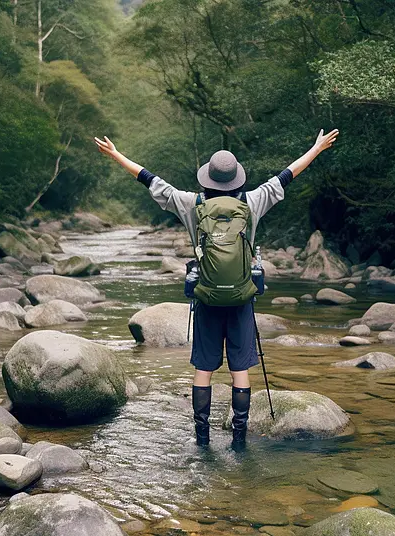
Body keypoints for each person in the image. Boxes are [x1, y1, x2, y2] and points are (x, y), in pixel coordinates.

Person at [94, 128, 339, 448]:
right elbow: (286, 176)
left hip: (206, 299)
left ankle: (202, 440)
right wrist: (317, 148)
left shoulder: (190, 203)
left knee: (204, 370)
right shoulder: (253, 201)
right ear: (237, 178)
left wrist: (116, 155)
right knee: (240, 370)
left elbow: (150, 179)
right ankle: (239, 441)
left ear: (207, 178)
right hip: (241, 300)